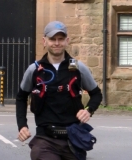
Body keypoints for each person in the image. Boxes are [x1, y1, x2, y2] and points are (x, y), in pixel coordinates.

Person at [16, 21, 102, 160]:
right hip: (45, 139)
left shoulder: (78, 68)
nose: (57, 43)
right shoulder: (34, 70)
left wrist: (88, 110)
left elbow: (96, 94)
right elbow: (21, 98)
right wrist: (22, 126)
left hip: (73, 139)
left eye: (61, 39)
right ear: (44, 41)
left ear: (67, 41)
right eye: (52, 39)